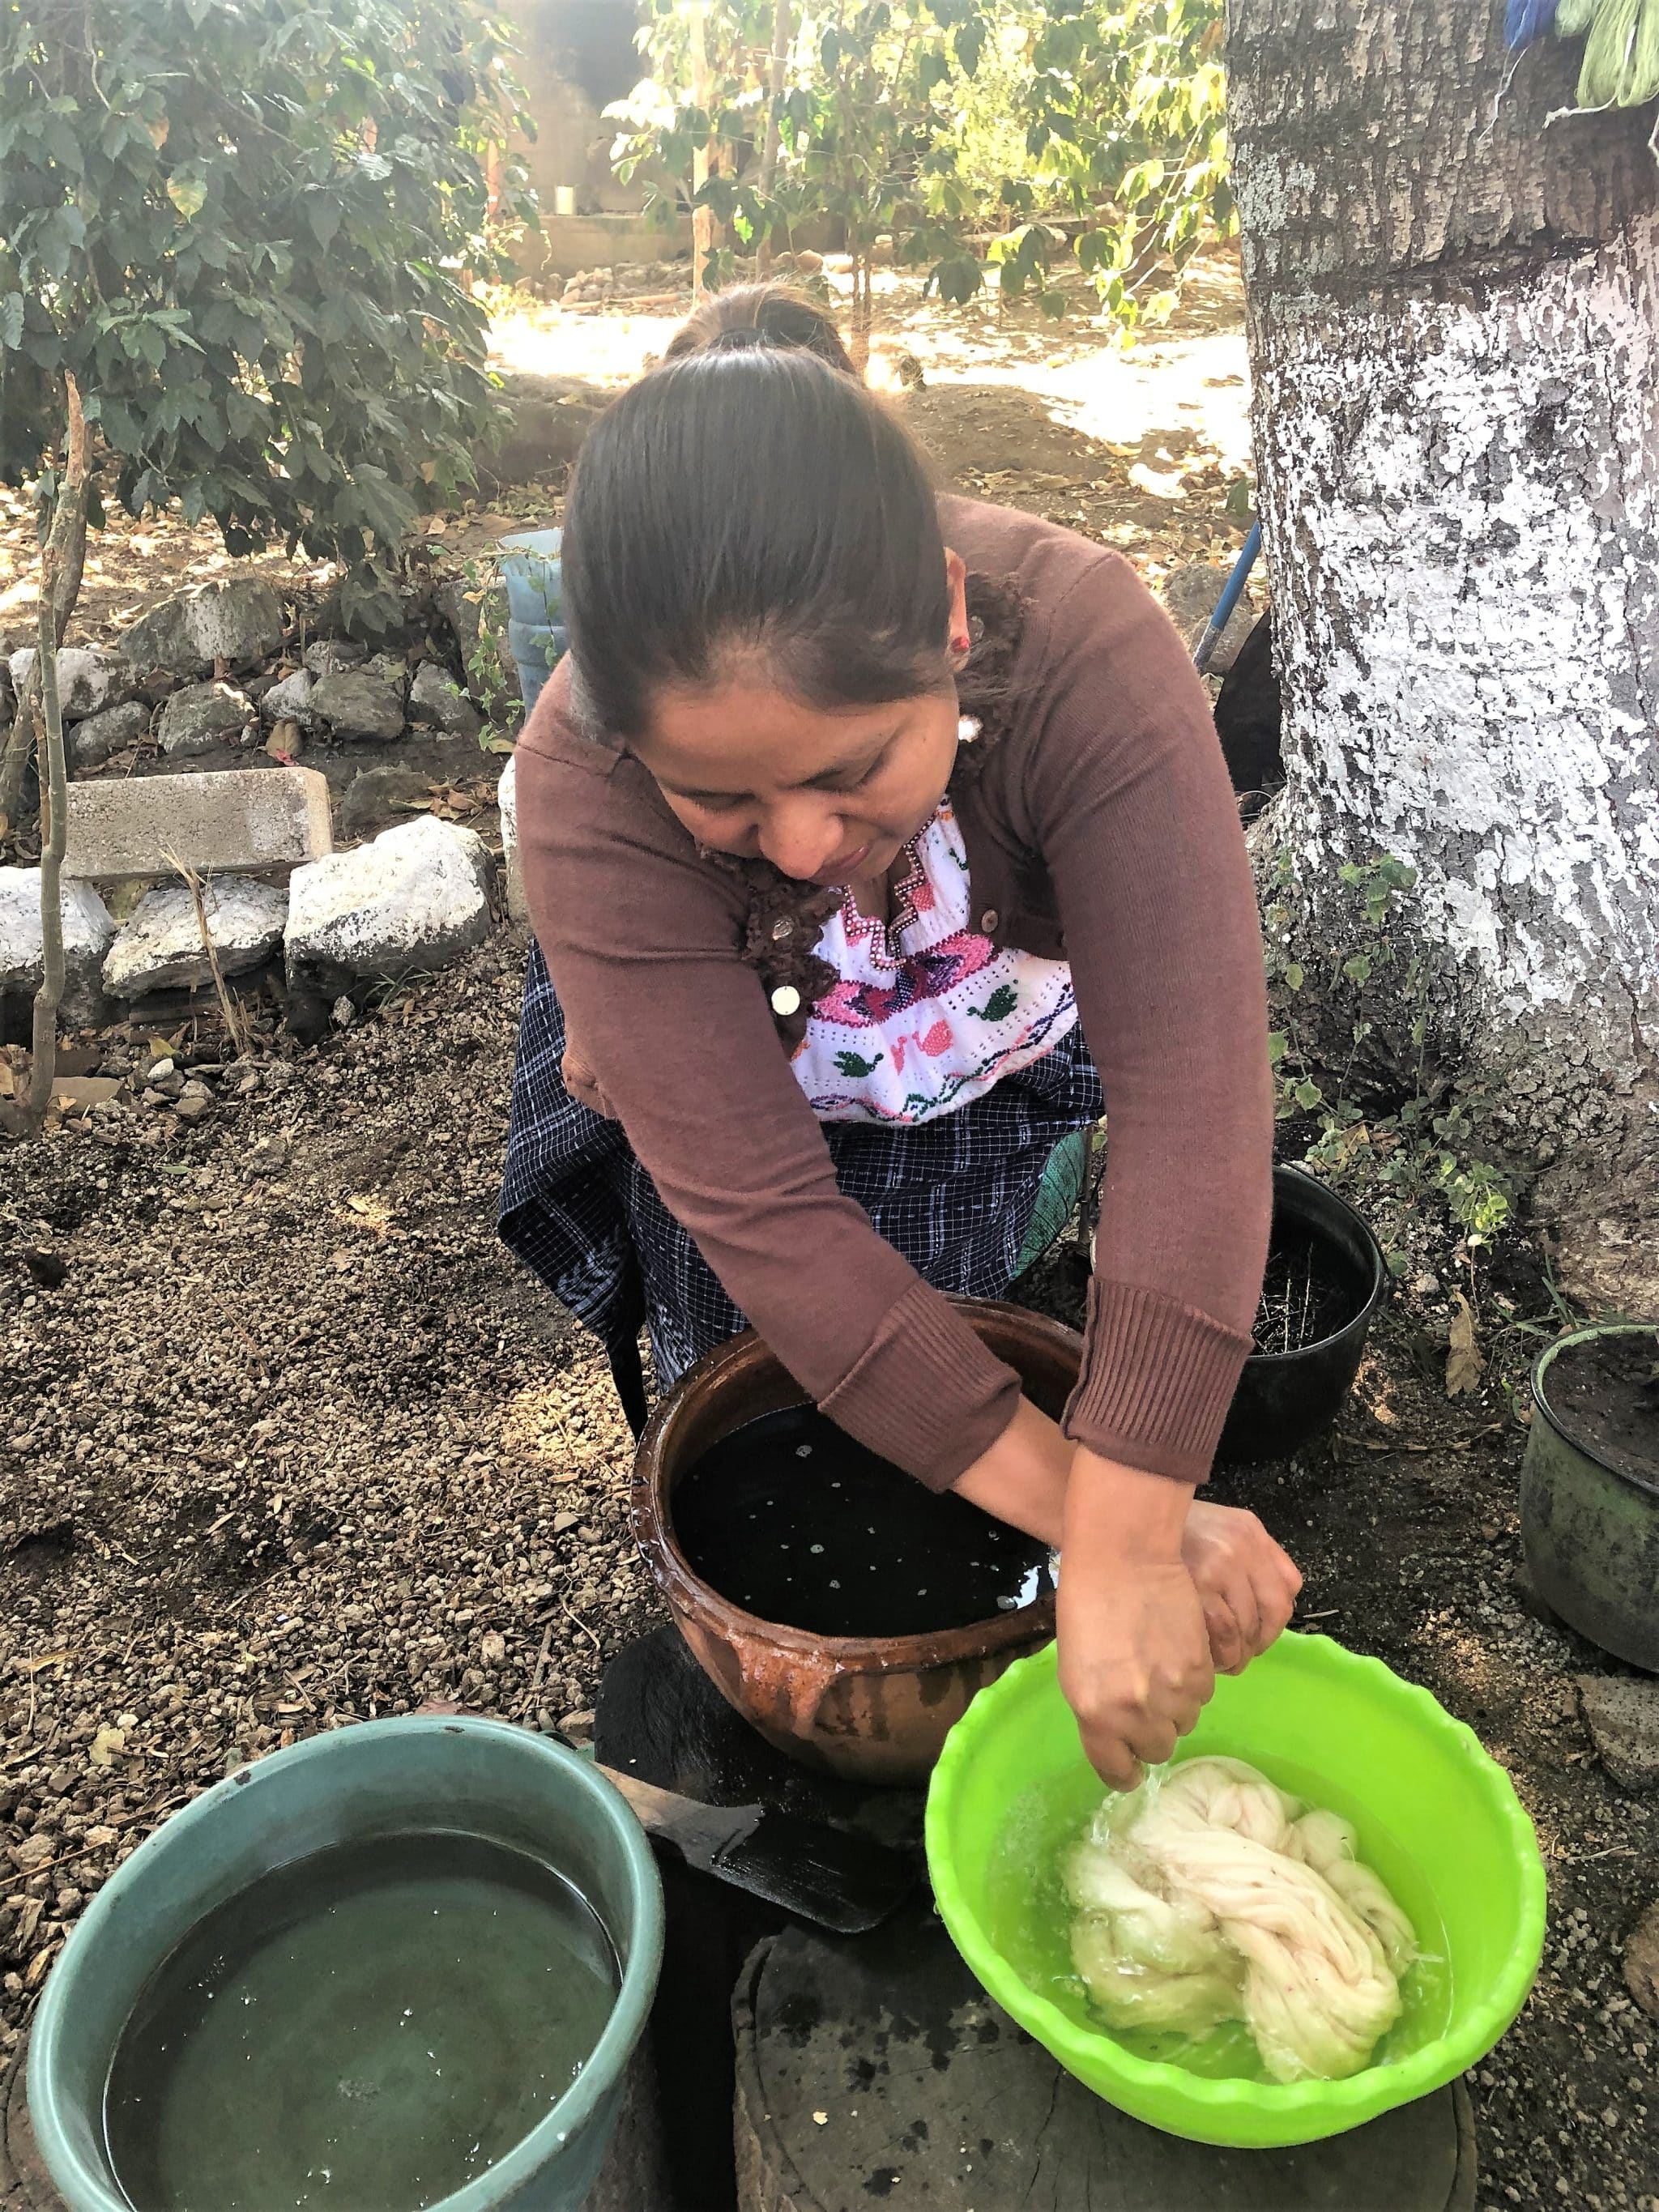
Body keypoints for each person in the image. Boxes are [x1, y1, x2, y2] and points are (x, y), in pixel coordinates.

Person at [501, 285, 1301, 1788]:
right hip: (731, 1059)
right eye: (723, 805)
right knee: (743, 1363)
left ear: (945, 615)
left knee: (963, 1294)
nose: (801, 847)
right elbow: (775, 1222)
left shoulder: (1085, 652)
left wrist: (1126, 1524)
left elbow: (1196, 1103)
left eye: (854, 767)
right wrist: (1123, 1527)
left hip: (963, 1027)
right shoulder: (583, 778)